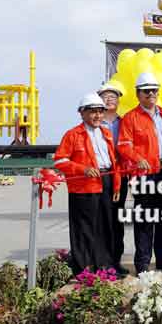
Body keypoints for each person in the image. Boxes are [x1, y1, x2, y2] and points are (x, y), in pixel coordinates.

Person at [117, 73, 162, 274]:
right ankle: (143, 264)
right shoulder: (130, 118)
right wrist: (138, 159)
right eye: (146, 91)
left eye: (154, 90)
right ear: (138, 94)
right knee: (145, 220)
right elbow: (123, 145)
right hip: (145, 174)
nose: (151, 94)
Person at [53, 92, 120, 275]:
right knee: (84, 228)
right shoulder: (73, 135)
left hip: (105, 181)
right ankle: (83, 269)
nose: (98, 115)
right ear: (82, 113)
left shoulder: (106, 133)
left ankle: (104, 266)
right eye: (92, 112)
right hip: (84, 186)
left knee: (105, 227)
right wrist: (82, 169)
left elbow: (114, 162)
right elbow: (59, 161)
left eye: (100, 111)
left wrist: (116, 185)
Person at [97, 80, 129, 276]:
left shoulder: (124, 121)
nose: (110, 100)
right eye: (105, 96)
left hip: (120, 176)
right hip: (100, 175)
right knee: (101, 219)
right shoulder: (93, 123)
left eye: (113, 96)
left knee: (117, 218)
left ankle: (115, 260)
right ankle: (101, 261)